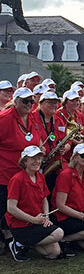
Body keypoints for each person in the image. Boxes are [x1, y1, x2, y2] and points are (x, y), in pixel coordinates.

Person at [0, 88, 41, 253]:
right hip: (5, 173)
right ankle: (6, 238)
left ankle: (15, 238)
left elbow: (36, 138)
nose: (29, 104)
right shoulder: (4, 119)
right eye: (25, 101)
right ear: (15, 101)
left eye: (31, 101)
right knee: (4, 208)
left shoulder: (32, 117)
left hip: (26, 174)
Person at [6, 146, 63, 262]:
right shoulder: (17, 180)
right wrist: (33, 219)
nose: (37, 161)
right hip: (21, 225)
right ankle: (19, 242)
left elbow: (44, 200)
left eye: (39, 158)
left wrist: (46, 216)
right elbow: (11, 208)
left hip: (36, 222)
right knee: (58, 233)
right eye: (33, 158)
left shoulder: (40, 177)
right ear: (25, 161)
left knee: (54, 252)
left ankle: (24, 243)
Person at [31, 92, 68, 191]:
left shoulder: (58, 120)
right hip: (37, 163)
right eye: (50, 102)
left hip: (53, 163)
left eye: (56, 102)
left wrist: (63, 148)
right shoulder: (32, 117)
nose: (54, 105)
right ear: (41, 103)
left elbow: (63, 139)